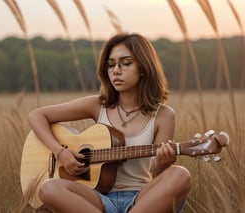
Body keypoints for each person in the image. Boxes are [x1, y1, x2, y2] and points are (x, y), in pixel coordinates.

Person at [28, 33, 192, 213]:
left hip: (141, 200)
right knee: (48, 188)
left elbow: (156, 175)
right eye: (111, 64)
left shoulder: (163, 115)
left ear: (143, 68)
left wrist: (162, 163)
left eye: (126, 63)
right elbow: (37, 115)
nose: (116, 70)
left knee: (181, 174)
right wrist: (60, 152)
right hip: (96, 199)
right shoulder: (98, 105)